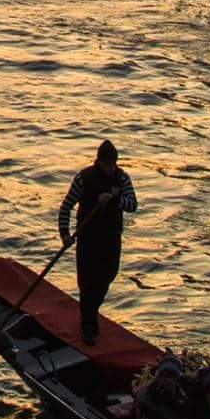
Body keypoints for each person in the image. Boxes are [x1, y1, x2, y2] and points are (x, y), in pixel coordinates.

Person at [58, 139, 138, 345]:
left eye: (113, 164)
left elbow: (132, 205)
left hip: (111, 238)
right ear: (99, 162)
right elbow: (66, 207)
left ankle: (90, 311)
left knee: (108, 275)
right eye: (107, 164)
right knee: (87, 283)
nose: (111, 168)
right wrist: (65, 234)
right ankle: (89, 328)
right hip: (88, 238)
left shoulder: (122, 179)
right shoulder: (84, 178)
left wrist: (114, 200)